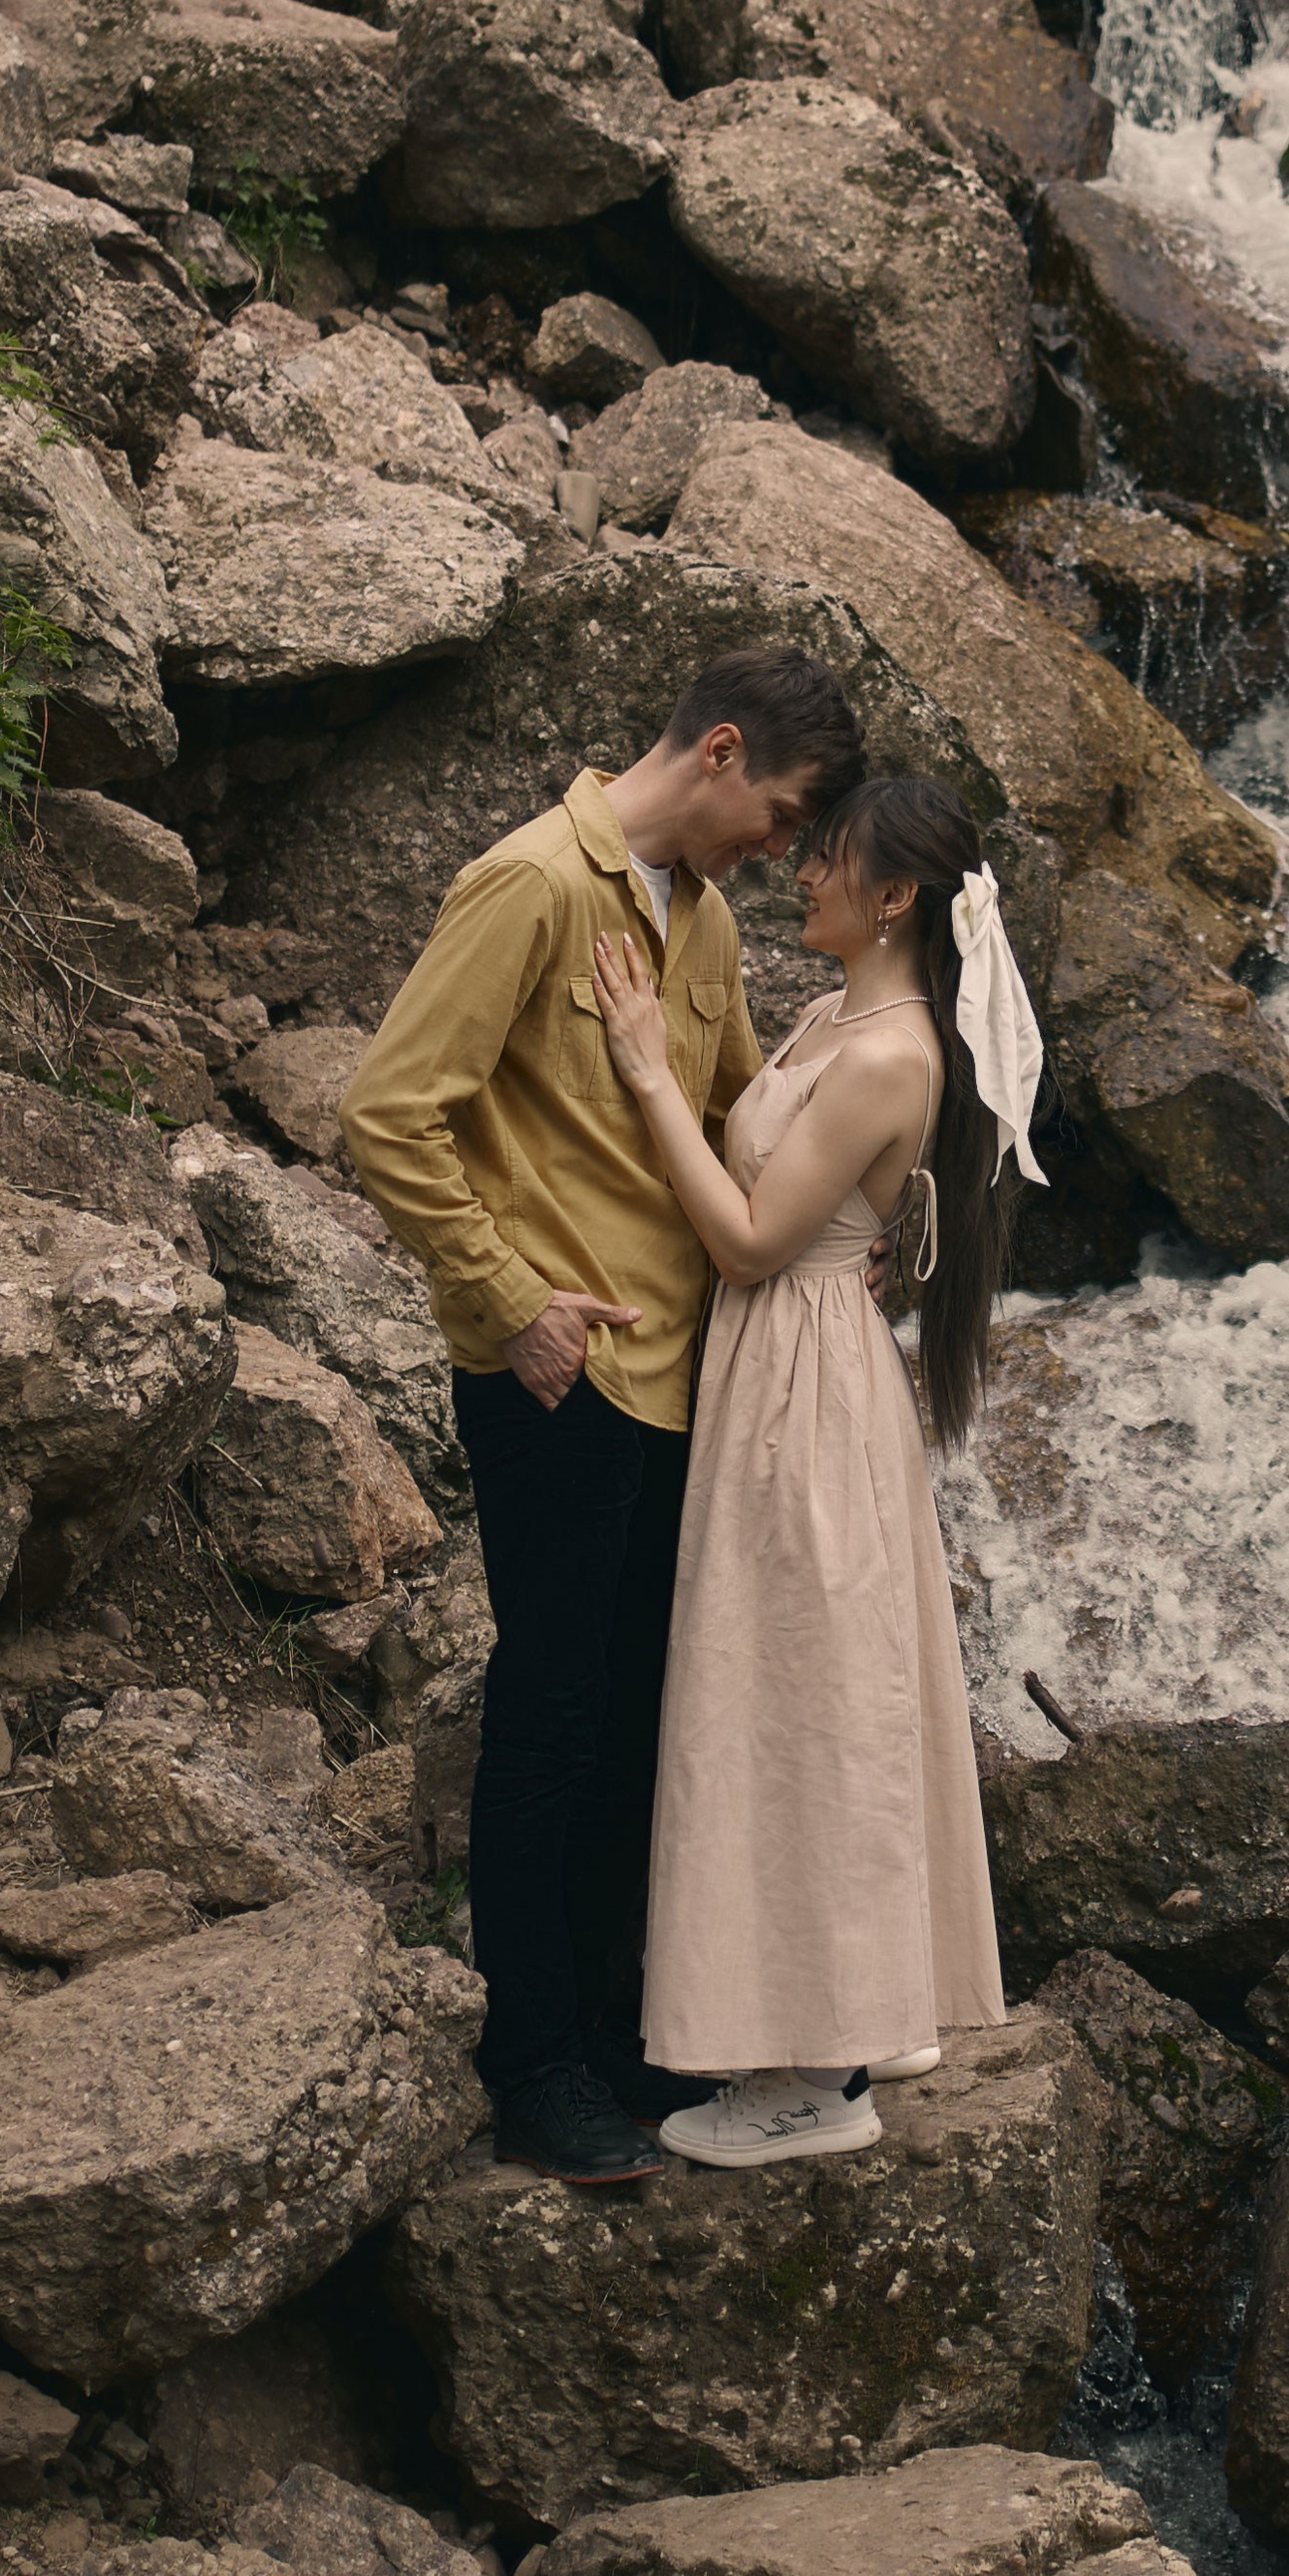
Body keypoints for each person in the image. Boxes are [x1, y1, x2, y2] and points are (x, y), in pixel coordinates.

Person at [339, 650, 866, 2185]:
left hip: (681, 1377)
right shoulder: (527, 885)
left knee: (643, 1714)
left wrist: (850, 1215)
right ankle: (533, 2063)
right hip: (557, 1377)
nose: (776, 853)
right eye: (773, 815)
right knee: (554, 1716)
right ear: (715, 750)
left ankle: (621, 2030)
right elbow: (387, 1107)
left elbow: (727, 1118)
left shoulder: (694, 919)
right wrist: (509, 1299)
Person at [587, 772, 1041, 2166]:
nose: (801, 874)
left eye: (825, 861)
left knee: (798, 1702)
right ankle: (846, 2011)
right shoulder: (838, 1017)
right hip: (783, 1373)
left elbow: (747, 1238)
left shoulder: (895, 1054)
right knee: (792, 1690)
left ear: (894, 895)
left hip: (801, 1384)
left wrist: (648, 1066)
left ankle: (814, 2078)